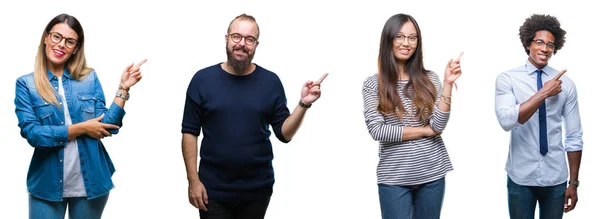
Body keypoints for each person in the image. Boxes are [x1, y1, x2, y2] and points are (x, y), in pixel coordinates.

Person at [181, 13, 327, 219]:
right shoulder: (202, 80)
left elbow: (284, 134)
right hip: (212, 191)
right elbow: (189, 132)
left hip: (257, 191)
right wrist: (193, 181)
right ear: (226, 38)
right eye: (236, 37)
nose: (242, 44)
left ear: (256, 44)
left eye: (249, 39)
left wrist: (303, 104)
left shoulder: (271, 82)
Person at [14, 13, 147, 219]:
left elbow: (108, 125)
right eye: (57, 37)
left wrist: (123, 88)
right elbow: (34, 134)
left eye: (70, 41)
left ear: (76, 48)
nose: (61, 45)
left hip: (91, 182)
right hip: (46, 185)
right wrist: (83, 128)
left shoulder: (88, 78)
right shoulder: (26, 84)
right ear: (46, 38)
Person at [362, 13, 463, 219]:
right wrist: (424, 130)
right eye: (399, 36)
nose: (406, 43)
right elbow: (378, 131)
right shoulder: (374, 84)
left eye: (412, 37)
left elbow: (438, 124)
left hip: (433, 173)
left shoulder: (430, 78)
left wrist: (447, 84)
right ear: (388, 40)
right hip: (394, 178)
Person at [494, 14, 582, 219]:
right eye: (539, 42)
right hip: (520, 177)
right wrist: (544, 93)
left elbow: (574, 135)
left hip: (556, 178)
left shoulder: (567, 84)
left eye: (550, 44)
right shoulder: (508, 79)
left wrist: (574, 183)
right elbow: (507, 121)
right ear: (527, 43)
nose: (545, 49)